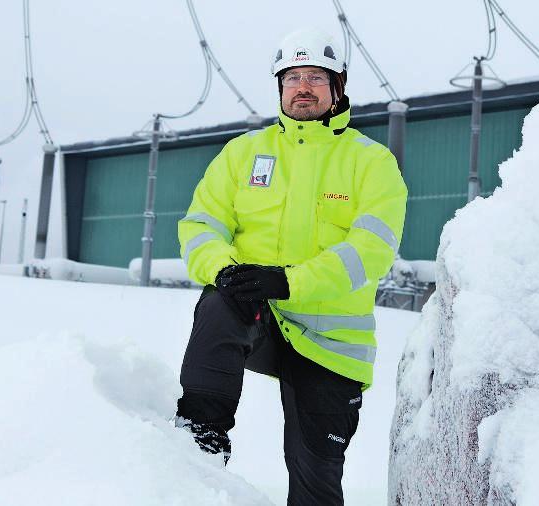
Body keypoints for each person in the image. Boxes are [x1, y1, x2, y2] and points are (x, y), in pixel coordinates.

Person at [174, 28, 408, 505]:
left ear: (337, 86)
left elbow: (372, 248)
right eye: (292, 78)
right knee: (219, 303)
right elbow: (200, 224)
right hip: (257, 315)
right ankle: (201, 436)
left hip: (331, 343)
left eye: (316, 78)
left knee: (316, 479)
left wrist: (288, 282)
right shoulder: (243, 153)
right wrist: (223, 269)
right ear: (280, 88)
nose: (303, 87)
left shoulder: (371, 161)